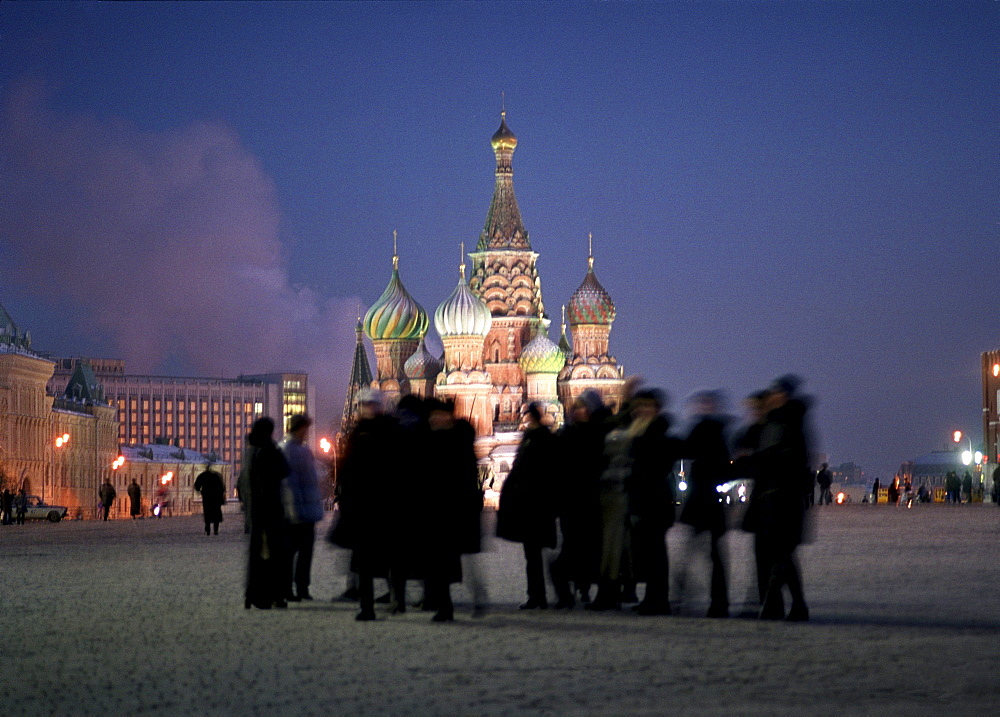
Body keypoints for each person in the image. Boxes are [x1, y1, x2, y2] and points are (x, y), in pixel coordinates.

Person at [738, 375, 812, 621]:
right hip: (770, 499)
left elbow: (789, 460)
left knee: (780, 557)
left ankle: (779, 606)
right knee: (779, 557)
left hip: (783, 499)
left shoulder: (789, 424)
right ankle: (789, 606)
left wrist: (761, 459)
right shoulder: (774, 423)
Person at [336, 389, 401, 621]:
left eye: (370, 405)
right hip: (361, 507)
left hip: (383, 507)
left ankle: (396, 596)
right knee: (365, 560)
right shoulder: (359, 433)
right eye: (363, 405)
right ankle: (367, 606)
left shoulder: (388, 431)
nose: (366, 409)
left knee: (386, 558)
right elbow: (347, 467)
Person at [422, 398, 483, 622]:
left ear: (448, 416)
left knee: (456, 561)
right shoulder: (433, 440)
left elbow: (465, 477)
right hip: (438, 512)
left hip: (454, 511)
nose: (433, 420)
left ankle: (473, 598)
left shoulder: (459, 442)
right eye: (432, 416)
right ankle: (445, 605)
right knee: (443, 562)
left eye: (437, 415)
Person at [496, 402, 558, 610]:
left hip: (536, 506)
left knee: (534, 555)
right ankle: (537, 595)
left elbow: (538, 473)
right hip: (529, 506)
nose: (524, 419)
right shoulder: (533, 438)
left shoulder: (540, 440)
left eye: (527, 415)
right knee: (532, 554)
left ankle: (542, 595)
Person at [551, 390, 609, 609]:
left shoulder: (598, 433)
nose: (578, 411)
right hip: (571, 503)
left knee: (591, 549)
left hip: (591, 501)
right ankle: (571, 593)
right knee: (572, 548)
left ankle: (588, 591)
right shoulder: (567, 434)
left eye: (584, 407)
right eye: (576, 407)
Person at [625, 388, 680, 616]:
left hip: (654, 500)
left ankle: (659, 600)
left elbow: (652, 466)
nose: (641, 410)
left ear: (655, 409)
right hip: (644, 498)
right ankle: (652, 597)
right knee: (649, 552)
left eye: (646, 406)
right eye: (639, 406)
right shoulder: (641, 431)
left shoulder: (656, 433)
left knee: (655, 552)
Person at [679, 390, 730, 618]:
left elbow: (686, 449)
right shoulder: (717, 430)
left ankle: (698, 596)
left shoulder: (705, 429)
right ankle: (717, 600)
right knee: (712, 553)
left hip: (703, 498)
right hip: (708, 499)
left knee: (701, 551)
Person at [242, 417, 291, 610]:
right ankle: (274, 595)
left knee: (257, 553)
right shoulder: (269, 450)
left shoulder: (252, 450)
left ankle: (252, 594)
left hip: (257, 509)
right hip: (271, 508)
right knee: (276, 553)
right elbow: (284, 470)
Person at [279, 414, 324, 602]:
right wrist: (293, 510)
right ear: (298, 428)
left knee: (305, 552)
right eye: (305, 429)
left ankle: (302, 587)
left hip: (307, 509)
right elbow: (289, 484)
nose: (307, 432)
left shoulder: (301, 450)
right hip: (296, 511)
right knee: (291, 552)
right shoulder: (289, 450)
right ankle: (288, 588)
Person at [194, 463, 227, 536]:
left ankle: (208, 529)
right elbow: (222, 488)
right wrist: (221, 498)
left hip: (207, 497)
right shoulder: (216, 476)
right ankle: (216, 530)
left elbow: (197, 485)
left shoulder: (203, 475)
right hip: (216, 498)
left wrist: (200, 491)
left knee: (207, 513)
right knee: (216, 513)